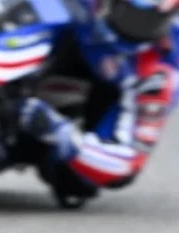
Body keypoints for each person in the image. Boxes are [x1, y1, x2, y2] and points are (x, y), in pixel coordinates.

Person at [12, 0, 179, 207]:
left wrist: (59, 131)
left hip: (105, 93)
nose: (138, 29)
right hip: (64, 34)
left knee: (78, 181)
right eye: (129, 15)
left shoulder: (159, 77)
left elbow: (127, 163)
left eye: (151, 21)